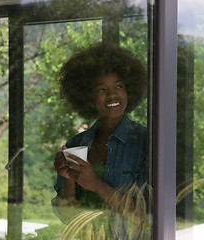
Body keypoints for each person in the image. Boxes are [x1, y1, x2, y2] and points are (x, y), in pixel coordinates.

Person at [51, 43, 148, 223]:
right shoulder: (75, 144)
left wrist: (95, 184)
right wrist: (69, 179)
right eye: (102, 89)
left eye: (119, 86)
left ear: (129, 90)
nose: (112, 95)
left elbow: (144, 218)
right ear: (89, 99)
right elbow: (68, 218)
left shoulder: (145, 142)